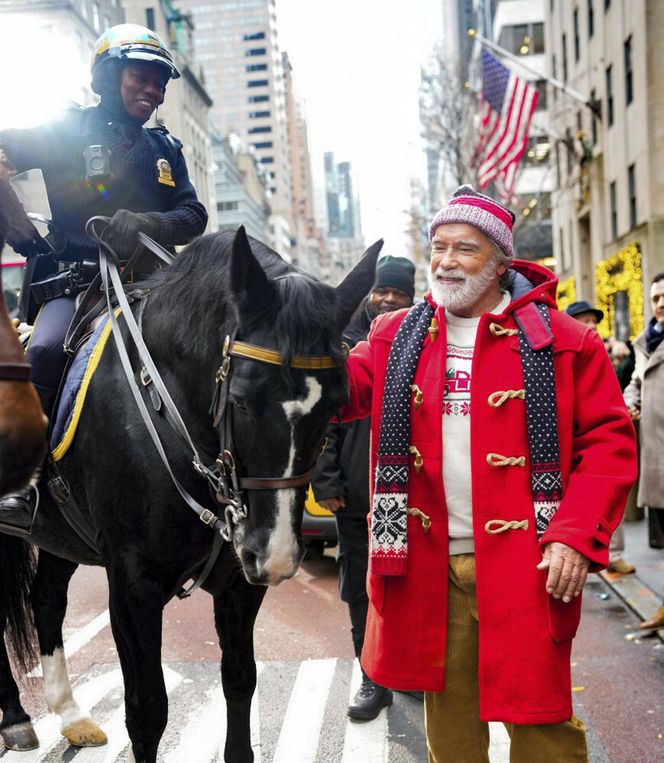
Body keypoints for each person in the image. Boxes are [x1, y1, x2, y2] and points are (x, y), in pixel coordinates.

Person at [340, 185, 637, 761]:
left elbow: (608, 445)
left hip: (529, 563)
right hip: (425, 564)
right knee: (448, 724)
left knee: (539, 721)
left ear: (500, 262)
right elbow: (339, 394)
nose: (446, 261)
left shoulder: (566, 341)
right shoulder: (393, 335)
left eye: (465, 249)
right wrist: (296, 332)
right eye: (438, 247)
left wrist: (575, 537)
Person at [0, 24, 208, 533]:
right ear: (110, 76)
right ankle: (25, 488)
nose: (153, 92)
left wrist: (150, 223)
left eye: (161, 84)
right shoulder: (64, 131)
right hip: (77, 284)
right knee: (46, 350)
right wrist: (22, 233)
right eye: (142, 78)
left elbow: (194, 215)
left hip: (154, 288)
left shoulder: (166, 148)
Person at [312, 255, 415, 721]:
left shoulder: (420, 338)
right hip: (354, 494)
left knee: (406, 587)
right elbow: (323, 418)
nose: (389, 298)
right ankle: (372, 677)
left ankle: (406, 671)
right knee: (360, 591)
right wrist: (327, 478)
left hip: (409, 497)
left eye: (399, 292)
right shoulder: (342, 342)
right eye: (382, 291)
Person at [564, 302, 636, 575]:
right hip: (572, 445)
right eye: (584, 320)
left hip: (605, 436)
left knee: (605, 498)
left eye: (593, 320)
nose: (591, 325)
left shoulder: (603, 350)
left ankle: (612, 554)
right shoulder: (566, 351)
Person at [624, 272, 664, 629]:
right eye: (655, 298)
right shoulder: (645, 342)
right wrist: (630, 404)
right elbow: (636, 383)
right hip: (655, 455)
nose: (661, 303)